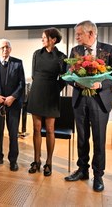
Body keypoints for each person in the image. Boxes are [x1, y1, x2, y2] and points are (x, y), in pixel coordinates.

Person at [64, 20, 112, 192]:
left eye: (79, 34)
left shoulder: (108, 50)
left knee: (98, 139)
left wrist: (101, 85)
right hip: (80, 99)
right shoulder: (75, 50)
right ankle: (82, 170)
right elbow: (69, 72)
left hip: (100, 100)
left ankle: (98, 175)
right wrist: (77, 83)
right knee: (82, 138)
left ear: (91, 34)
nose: (76, 37)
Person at [26, 27, 67, 176]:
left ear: (53, 40)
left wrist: (55, 89)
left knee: (50, 130)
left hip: (52, 94)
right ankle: (36, 160)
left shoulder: (62, 57)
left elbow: (64, 79)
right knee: (36, 129)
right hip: (37, 93)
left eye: (44, 37)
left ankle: (49, 163)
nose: (42, 39)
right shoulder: (37, 54)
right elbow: (34, 75)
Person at [0, 39, 25, 171]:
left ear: (10, 49)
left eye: (7, 47)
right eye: (1, 48)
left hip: (13, 104)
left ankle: (13, 160)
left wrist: (13, 97)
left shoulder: (18, 63)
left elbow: (21, 83)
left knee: (13, 134)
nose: (4, 50)